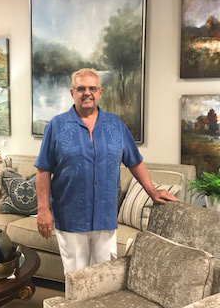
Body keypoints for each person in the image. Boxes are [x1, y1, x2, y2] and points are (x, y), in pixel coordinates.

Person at [35, 68, 178, 274]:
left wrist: (152, 191)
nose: (87, 93)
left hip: (105, 215)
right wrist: (43, 210)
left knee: (103, 277)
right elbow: (43, 170)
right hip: (70, 215)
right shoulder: (56, 126)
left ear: (100, 92)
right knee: (76, 277)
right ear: (72, 93)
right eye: (81, 88)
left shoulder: (116, 125)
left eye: (92, 88)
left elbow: (135, 162)